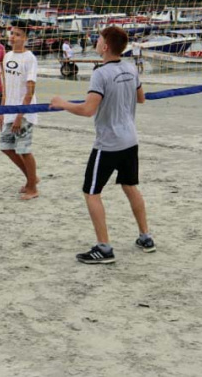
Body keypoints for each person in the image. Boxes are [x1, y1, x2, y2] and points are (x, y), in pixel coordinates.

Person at [50, 26, 154, 265]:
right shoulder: (130, 68)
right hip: (130, 140)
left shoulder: (100, 73)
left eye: (98, 39)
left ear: (105, 46)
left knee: (91, 192)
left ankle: (104, 248)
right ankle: (146, 237)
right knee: (130, 186)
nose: (96, 42)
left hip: (108, 143)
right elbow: (141, 98)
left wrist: (62, 103)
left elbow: (88, 110)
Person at [0, 20, 39, 200]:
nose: (13, 37)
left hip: (24, 111)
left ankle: (32, 188)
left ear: (25, 38)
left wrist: (19, 115)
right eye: (12, 33)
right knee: (6, 147)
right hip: (9, 109)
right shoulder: (7, 56)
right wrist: (2, 110)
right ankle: (32, 178)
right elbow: (6, 86)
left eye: (17, 34)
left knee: (23, 149)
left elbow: (30, 91)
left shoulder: (30, 58)